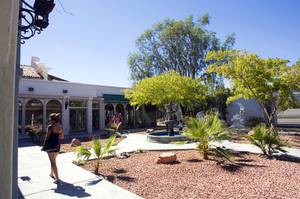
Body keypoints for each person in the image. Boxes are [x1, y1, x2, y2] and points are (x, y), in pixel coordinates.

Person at [41, 113, 64, 183]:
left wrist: (44, 145)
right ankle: (51, 173)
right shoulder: (60, 127)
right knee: (53, 161)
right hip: (57, 145)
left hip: (50, 146)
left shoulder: (50, 127)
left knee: (52, 162)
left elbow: (47, 137)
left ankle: (57, 179)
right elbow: (62, 137)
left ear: (52, 120)